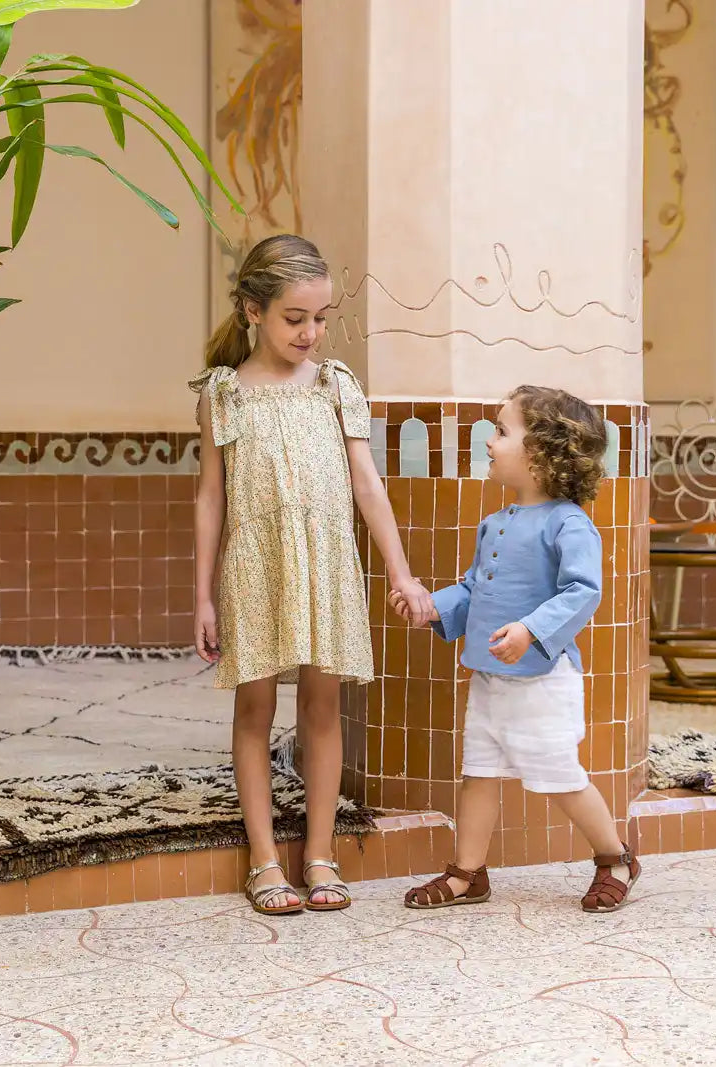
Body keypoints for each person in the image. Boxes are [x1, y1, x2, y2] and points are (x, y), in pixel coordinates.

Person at [190, 234, 434, 915]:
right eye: (295, 318)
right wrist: (202, 594)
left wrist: (401, 571)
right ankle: (265, 859)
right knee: (255, 707)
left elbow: (367, 483)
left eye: (321, 317)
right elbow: (211, 496)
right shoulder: (223, 394)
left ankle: (319, 853)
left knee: (324, 709)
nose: (311, 332)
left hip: (326, 559)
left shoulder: (336, 386)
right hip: (255, 564)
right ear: (252, 311)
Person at [393, 386, 639, 913]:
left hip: (543, 682)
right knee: (479, 773)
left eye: (502, 431)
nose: (489, 440)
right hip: (490, 678)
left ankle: (615, 857)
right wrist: (433, 608)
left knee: (559, 776)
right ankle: (467, 874)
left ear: (543, 453)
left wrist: (530, 629)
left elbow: (582, 591)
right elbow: (473, 588)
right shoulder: (496, 523)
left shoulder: (568, 522)